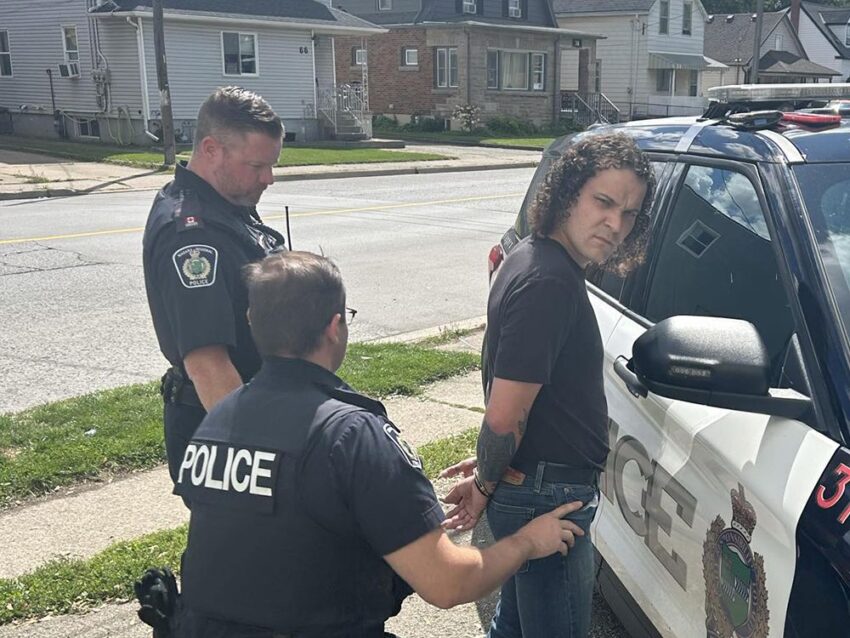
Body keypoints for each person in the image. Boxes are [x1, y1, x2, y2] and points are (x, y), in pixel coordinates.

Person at [168, 251, 588, 638]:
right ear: (334, 327)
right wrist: (527, 541)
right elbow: (447, 583)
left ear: (252, 322)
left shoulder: (216, 421)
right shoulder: (351, 437)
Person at [441, 132, 656, 638]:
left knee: (515, 625)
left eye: (629, 213)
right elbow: (504, 417)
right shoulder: (549, 282)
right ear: (567, 194)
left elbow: (520, 396)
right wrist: (485, 485)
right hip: (546, 497)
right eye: (603, 202)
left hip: (533, 481)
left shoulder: (531, 255)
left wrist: (494, 468)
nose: (615, 224)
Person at [142, 86, 286, 484]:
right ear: (211, 150)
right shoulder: (192, 236)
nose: (268, 178)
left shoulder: (227, 204)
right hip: (227, 431)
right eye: (256, 166)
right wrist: (267, 453)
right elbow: (208, 365)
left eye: (271, 165)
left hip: (253, 409)